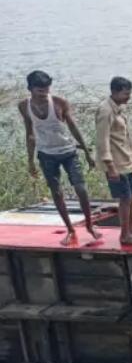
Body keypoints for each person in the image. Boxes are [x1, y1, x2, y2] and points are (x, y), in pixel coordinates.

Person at [17, 70, 100, 246]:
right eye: (40, 91)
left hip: (68, 151)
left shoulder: (59, 102)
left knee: (81, 188)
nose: (44, 94)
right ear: (31, 89)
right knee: (56, 192)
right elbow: (29, 134)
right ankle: (70, 229)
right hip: (46, 154)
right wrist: (30, 161)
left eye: (47, 89)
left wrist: (86, 152)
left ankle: (90, 225)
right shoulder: (24, 106)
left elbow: (73, 127)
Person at [96, 77, 132, 245]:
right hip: (116, 164)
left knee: (130, 198)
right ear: (115, 91)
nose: (128, 97)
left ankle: (131, 229)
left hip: (126, 160)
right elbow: (102, 141)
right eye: (125, 93)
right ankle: (124, 234)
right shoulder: (105, 110)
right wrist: (110, 166)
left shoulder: (119, 108)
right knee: (124, 199)